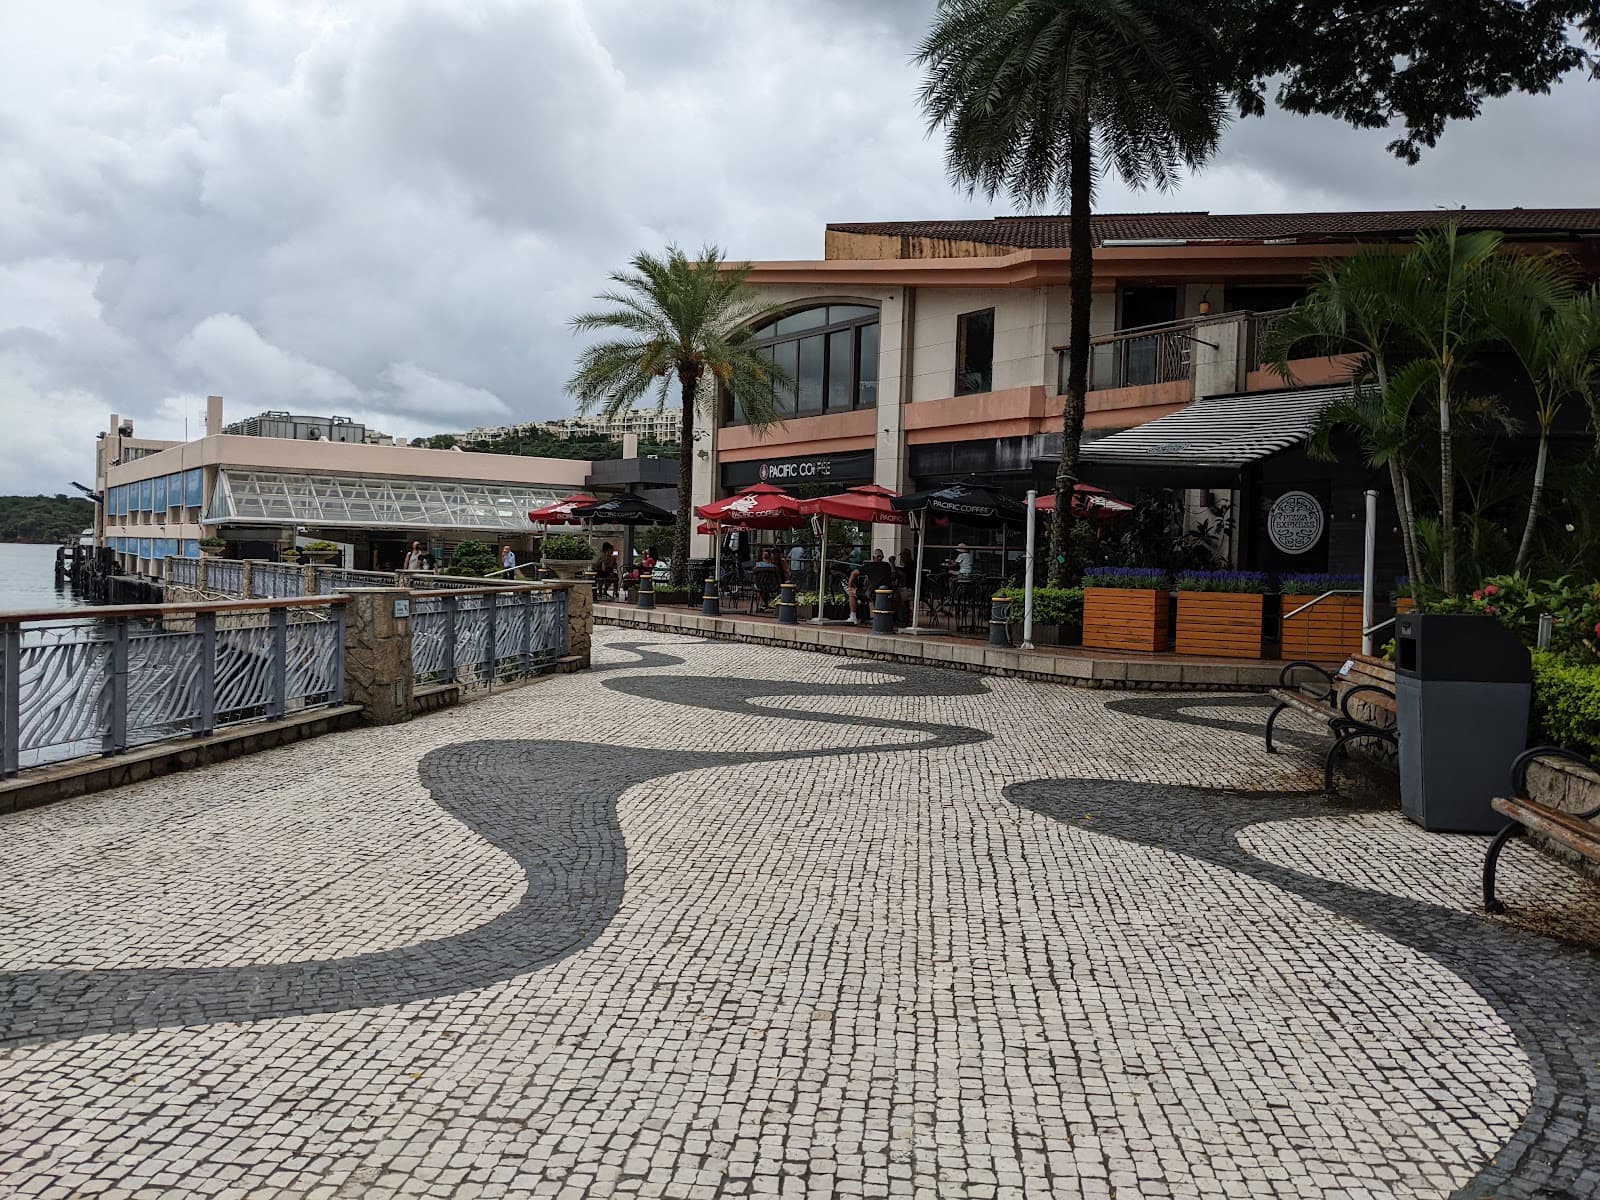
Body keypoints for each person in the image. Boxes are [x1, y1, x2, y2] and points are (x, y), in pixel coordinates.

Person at [846, 549, 894, 625]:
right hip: (887, 593)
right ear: (882, 557)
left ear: (873, 557)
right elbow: (892, 574)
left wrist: (850, 585)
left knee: (851, 593)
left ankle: (853, 617)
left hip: (873, 593)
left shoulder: (869, 566)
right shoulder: (887, 565)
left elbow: (853, 573)